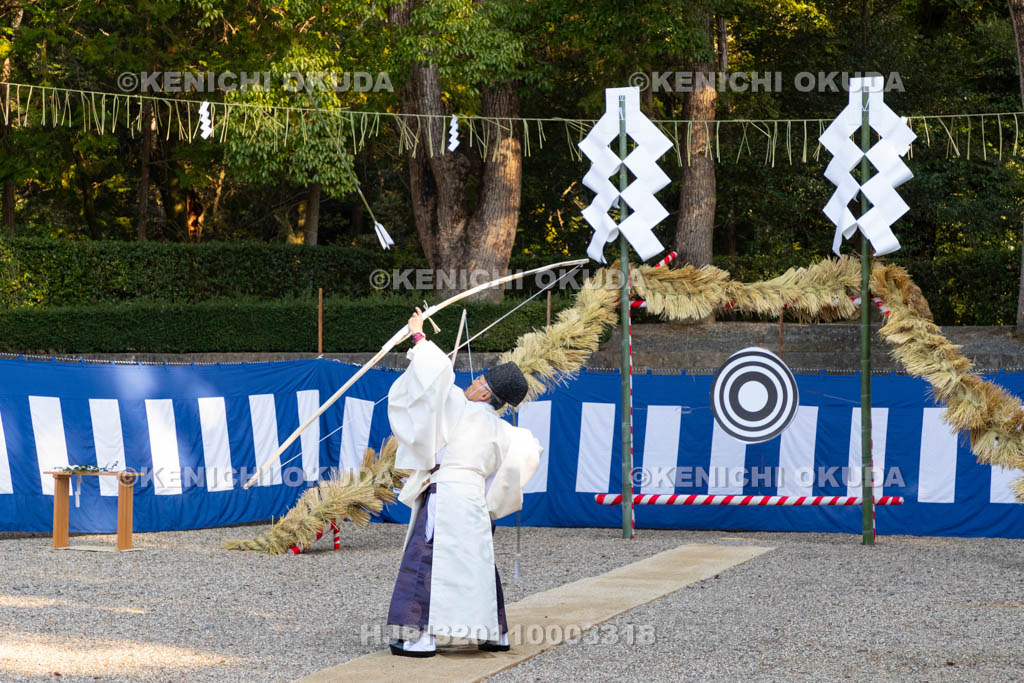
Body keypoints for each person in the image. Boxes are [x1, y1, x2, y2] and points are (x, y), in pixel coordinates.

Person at [386, 307, 541, 657]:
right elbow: (521, 461)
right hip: (472, 502)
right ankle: (494, 635)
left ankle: (421, 638)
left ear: (486, 395)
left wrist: (418, 335)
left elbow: (435, 376)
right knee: (477, 562)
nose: (471, 383)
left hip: (447, 496)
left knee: (427, 559)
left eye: (478, 383)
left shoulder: (460, 407)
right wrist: (490, 505)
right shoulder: (506, 432)